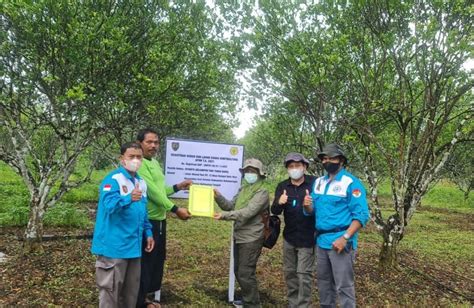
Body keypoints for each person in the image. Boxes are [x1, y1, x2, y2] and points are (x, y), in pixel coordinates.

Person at [303, 144, 369, 308]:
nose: (327, 161)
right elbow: (312, 211)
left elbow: (361, 215)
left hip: (341, 242)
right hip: (322, 241)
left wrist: (345, 238)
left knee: (344, 287)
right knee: (324, 285)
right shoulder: (318, 182)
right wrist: (307, 205)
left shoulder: (351, 183)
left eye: (332, 158)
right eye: (324, 158)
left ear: (341, 160)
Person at [91, 142, 155, 308]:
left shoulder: (141, 182)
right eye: (131, 156)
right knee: (110, 293)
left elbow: (143, 211)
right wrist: (128, 198)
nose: (135, 160)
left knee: (130, 294)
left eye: (138, 157)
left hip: (133, 247)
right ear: (122, 159)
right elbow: (109, 206)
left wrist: (148, 232)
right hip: (113, 247)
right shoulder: (113, 180)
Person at [136, 128, 192, 308]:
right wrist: (175, 209)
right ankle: (139, 301)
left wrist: (177, 186)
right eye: (149, 142)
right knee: (145, 260)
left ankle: (146, 297)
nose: (153, 145)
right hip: (147, 221)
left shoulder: (155, 163)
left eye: (156, 142)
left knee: (156, 260)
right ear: (140, 144)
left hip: (160, 221)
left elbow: (161, 191)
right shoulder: (140, 164)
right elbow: (152, 192)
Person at [214, 158, 270, 308]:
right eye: (247, 171)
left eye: (253, 171)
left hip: (252, 237)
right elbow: (230, 206)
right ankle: (248, 300)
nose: (249, 174)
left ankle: (253, 304)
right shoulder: (243, 189)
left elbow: (249, 212)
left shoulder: (262, 192)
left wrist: (224, 216)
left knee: (245, 272)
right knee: (238, 270)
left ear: (259, 174)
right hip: (239, 235)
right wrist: (217, 196)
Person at [271, 153, 316, 308]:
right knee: (290, 273)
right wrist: (279, 202)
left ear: (305, 167)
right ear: (287, 169)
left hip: (308, 237)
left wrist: (309, 205)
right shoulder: (282, 186)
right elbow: (275, 210)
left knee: (304, 275)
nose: (295, 169)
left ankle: (303, 305)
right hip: (289, 237)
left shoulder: (314, 183)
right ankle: (293, 303)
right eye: (291, 166)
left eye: (298, 166)